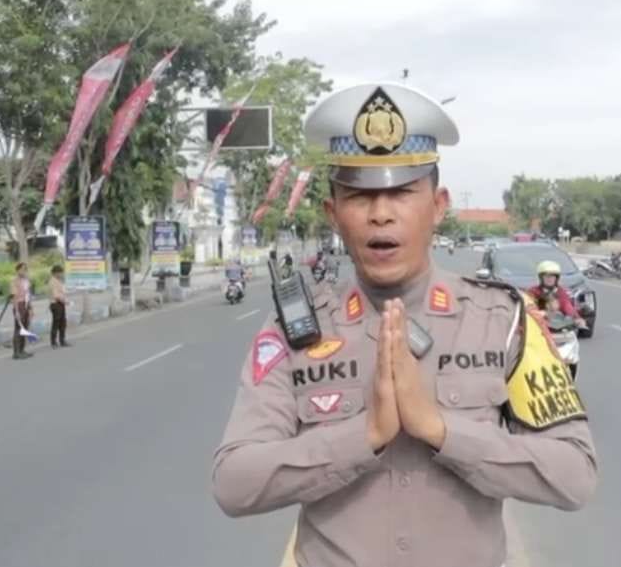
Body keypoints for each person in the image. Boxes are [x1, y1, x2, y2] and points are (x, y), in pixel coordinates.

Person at [211, 82, 597, 567]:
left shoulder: (502, 320)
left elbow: (574, 473)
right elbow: (234, 483)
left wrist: (439, 430)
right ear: (333, 213)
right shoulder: (295, 330)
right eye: (358, 196)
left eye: (402, 192)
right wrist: (364, 435)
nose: (380, 214)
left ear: (437, 206)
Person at [527, 260, 587, 329]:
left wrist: (577, 318)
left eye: (552, 276)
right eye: (547, 276)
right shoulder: (533, 291)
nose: (550, 279)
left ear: (556, 278)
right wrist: (542, 313)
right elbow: (529, 308)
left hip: (558, 326)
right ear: (541, 278)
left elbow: (567, 306)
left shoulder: (561, 292)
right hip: (538, 326)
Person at [11, 262, 34, 360]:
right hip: (19, 305)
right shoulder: (14, 281)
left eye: (25, 269)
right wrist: (16, 311)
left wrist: (30, 308)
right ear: (17, 270)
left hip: (26, 304)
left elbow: (28, 295)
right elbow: (14, 297)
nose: (23, 271)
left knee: (25, 328)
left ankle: (22, 350)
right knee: (18, 329)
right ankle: (16, 352)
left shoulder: (26, 281)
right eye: (21, 269)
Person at [49, 264, 70, 348]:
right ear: (55, 273)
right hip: (56, 304)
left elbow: (62, 292)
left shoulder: (58, 281)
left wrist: (64, 301)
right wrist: (65, 301)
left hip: (60, 304)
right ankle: (53, 342)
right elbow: (56, 296)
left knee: (62, 323)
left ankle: (62, 340)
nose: (62, 274)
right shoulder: (53, 282)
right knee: (56, 324)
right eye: (60, 273)